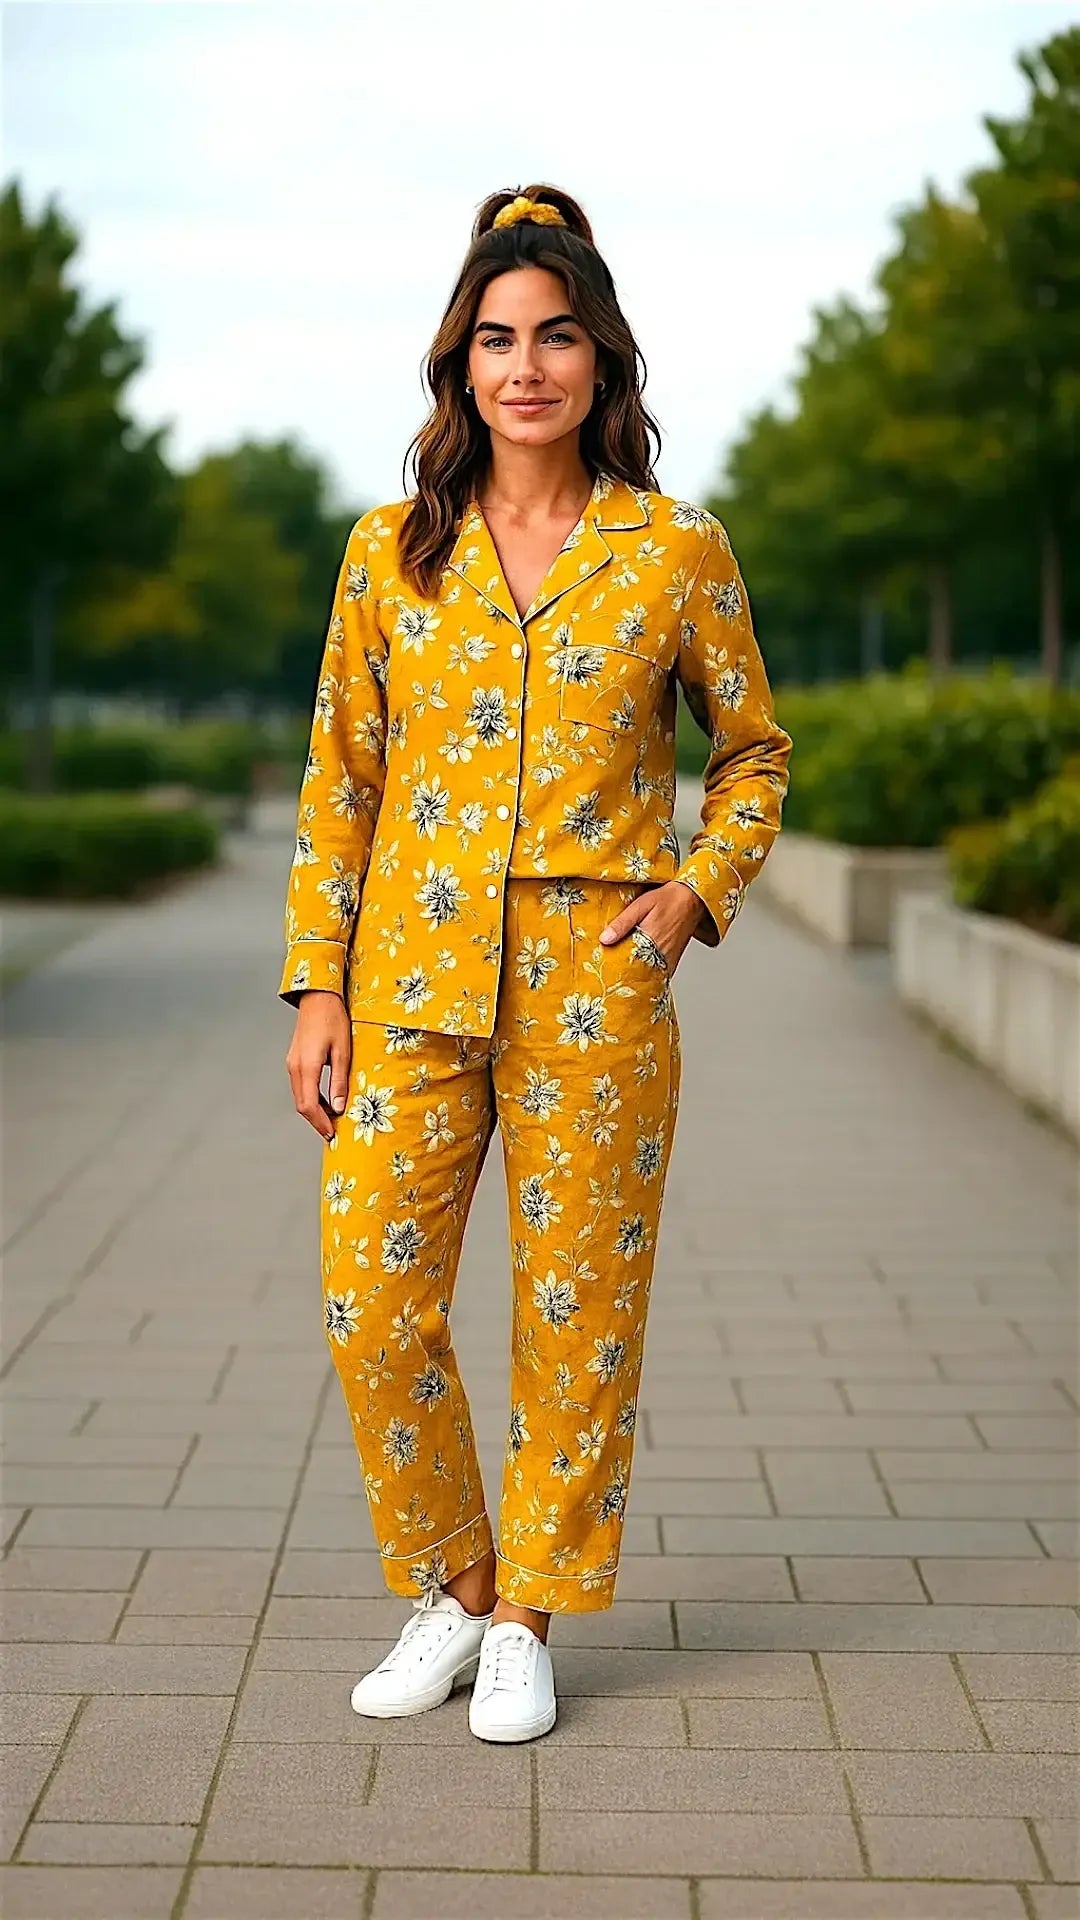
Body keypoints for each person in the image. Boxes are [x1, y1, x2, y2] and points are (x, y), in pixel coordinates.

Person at [280, 183, 792, 1744]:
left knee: (576, 1317)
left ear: (601, 360)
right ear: (459, 367)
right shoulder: (392, 553)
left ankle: (530, 1619)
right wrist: (318, 986)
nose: (525, 366)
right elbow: (341, 782)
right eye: (496, 338)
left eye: (555, 335)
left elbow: (754, 753)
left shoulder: (673, 549)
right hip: (413, 981)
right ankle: (454, 1579)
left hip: (596, 987)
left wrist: (697, 895)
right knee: (373, 1301)